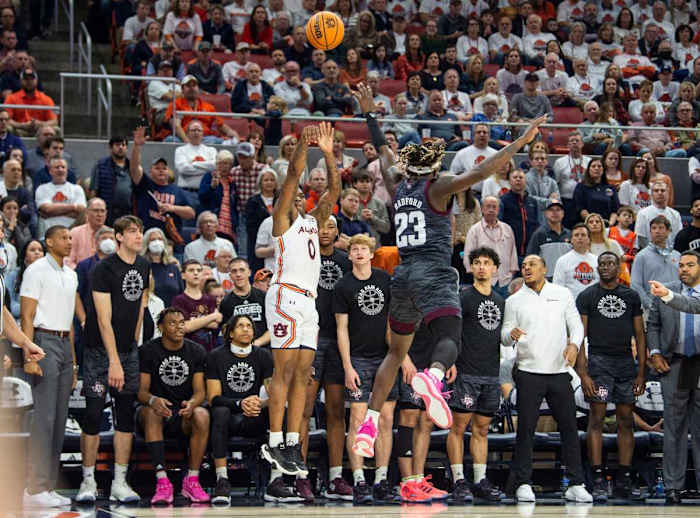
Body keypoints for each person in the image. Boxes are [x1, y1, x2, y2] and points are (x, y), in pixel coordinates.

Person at [350, 82, 545, 459]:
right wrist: (521, 141)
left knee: (396, 352)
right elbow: (485, 167)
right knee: (452, 335)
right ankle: (433, 377)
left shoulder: (397, 184)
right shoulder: (437, 187)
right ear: (433, 166)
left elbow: (385, 150)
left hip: (402, 276)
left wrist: (370, 113)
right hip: (432, 271)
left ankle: (371, 420)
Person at [261, 122, 340, 476]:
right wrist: (303, 146)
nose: (294, 196)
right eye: (289, 193)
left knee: (305, 376)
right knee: (285, 370)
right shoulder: (280, 221)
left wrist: (328, 152)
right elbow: (293, 173)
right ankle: (274, 439)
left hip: (308, 301)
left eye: (297, 195)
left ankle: (292, 442)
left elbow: (335, 191)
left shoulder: (314, 219)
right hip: (285, 295)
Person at [501, 254, 591, 503]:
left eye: (532, 265)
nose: (526, 268)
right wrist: (512, 334)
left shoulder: (562, 293)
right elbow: (504, 336)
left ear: (544, 268)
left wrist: (574, 345)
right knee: (526, 431)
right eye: (524, 266)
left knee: (570, 429)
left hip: (560, 372)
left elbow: (577, 326)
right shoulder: (514, 300)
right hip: (528, 372)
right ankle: (523, 483)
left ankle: (576, 483)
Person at [76, 216, 150, 504]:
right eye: (132, 231)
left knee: (125, 415)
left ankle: (120, 481)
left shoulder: (144, 265)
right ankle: (88, 480)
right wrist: (114, 361)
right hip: (98, 352)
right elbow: (103, 320)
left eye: (140, 230)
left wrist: (131, 348)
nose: (138, 236)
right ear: (118, 237)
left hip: (127, 351)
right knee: (93, 414)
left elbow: (140, 306)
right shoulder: (103, 269)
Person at [575, 251, 646, 501]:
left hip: (626, 363)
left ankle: (624, 479)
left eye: (610, 263)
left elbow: (640, 335)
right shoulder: (587, 296)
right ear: (597, 268)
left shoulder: (631, 296)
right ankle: (597, 478)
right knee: (597, 417)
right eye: (601, 263)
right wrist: (583, 374)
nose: (605, 267)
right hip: (599, 363)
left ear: (619, 267)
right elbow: (579, 338)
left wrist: (641, 372)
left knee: (626, 420)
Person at [335, 234, 395, 503]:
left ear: (372, 254)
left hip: (385, 359)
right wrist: (347, 366)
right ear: (349, 255)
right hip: (357, 359)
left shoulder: (385, 280)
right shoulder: (343, 285)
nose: (359, 253)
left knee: (385, 420)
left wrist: (398, 358)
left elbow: (394, 323)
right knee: (358, 421)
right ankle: (359, 480)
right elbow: (341, 329)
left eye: (364, 249)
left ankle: (381, 480)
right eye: (355, 249)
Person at [20, 225, 77, 508]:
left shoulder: (71, 274)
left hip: (65, 343)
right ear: (49, 241)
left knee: (59, 419)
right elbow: (27, 316)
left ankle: (48, 486)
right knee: (44, 418)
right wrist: (29, 355)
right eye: (63, 238)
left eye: (70, 237)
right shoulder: (36, 270)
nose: (68, 241)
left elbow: (69, 321)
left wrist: (74, 360)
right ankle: (33, 487)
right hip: (42, 340)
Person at [298, 216, 352, 501]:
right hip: (310, 340)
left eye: (331, 226)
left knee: (335, 412)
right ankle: (300, 476)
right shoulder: (303, 258)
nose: (326, 231)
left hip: (338, 341)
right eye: (321, 226)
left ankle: (335, 477)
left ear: (338, 232)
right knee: (304, 411)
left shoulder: (346, 261)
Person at [447, 246, 505, 503]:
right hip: (466, 372)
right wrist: (451, 361)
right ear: (471, 268)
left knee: (482, 429)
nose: (481, 267)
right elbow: (452, 332)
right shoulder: (464, 297)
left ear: (495, 268)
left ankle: (480, 479)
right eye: (477, 262)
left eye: (486, 263)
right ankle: (459, 480)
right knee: (458, 427)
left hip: (491, 374)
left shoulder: (502, 301)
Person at [137, 306, 210, 504]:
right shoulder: (148, 351)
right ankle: (162, 481)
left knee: (202, 414)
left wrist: (193, 404)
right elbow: (141, 392)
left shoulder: (196, 351)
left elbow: (200, 392)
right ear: (161, 327)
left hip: (182, 413)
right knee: (152, 413)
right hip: (154, 411)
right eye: (172, 323)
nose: (179, 327)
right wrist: (154, 400)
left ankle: (192, 480)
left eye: (181, 323)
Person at [647, 252, 700, 504]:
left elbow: (689, 305)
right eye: (680, 265)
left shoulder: (673, 295)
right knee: (674, 427)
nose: (684, 269)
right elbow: (653, 325)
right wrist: (655, 352)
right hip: (676, 362)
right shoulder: (664, 291)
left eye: (690, 265)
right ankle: (672, 487)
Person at [207, 314, 274, 504]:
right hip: (227, 417)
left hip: (254, 416)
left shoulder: (263, 355)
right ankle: (222, 479)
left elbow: (274, 395)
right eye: (241, 326)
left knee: (278, 411)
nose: (246, 329)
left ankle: (276, 480)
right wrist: (240, 403)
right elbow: (213, 398)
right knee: (220, 411)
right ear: (230, 333)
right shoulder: (216, 356)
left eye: (249, 326)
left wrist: (260, 404)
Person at [130, 127, 195, 240]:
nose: (161, 170)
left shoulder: (177, 191)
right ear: (150, 171)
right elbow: (134, 168)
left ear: (168, 172)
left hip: (170, 240)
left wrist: (172, 208)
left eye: (164, 168)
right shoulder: (145, 184)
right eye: (157, 168)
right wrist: (136, 146)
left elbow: (191, 213)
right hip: (145, 238)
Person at [463, 196, 519, 297]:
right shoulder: (474, 230)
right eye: (488, 207)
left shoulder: (507, 228)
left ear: (498, 210)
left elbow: (513, 254)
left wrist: (511, 274)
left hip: (505, 281)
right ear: (482, 209)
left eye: (494, 207)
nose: (491, 210)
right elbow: (468, 257)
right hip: (484, 282)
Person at [631, 215, 681, 311]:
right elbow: (635, 285)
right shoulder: (641, 256)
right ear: (650, 232)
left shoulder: (677, 255)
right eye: (654, 228)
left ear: (668, 231)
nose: (657, 231)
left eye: (661, 228)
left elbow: (682, 281)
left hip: (675, 306)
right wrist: (649, 305)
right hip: (653, 308)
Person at [219, 257, 269, 346]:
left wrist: (257, 343)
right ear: (230, 276)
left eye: (242, 270)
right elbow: (226, 331)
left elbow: (273, 327)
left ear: (249, 272)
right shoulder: (225, 302)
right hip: (238, 350)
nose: (238, 274)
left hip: (263, 349)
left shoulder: (264, 297)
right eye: (234, 271)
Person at [172, 260, 221, 350]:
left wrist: (194, 321)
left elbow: (215, 324)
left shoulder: (210, 299)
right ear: (183, 275)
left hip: (210, 350)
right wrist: (212, 316)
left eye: (199, 270)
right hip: (188, 351)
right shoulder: (179, 300)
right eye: (191, 270)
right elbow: (185, 327)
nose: (195, 273)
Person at [35, 157, 86, 239]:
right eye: (57, 167)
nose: (60, 170)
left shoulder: (77, 189)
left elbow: (82, 210)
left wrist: (53, 212)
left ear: (67, 171)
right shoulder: (42, 188)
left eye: (63, 167)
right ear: (50, 171)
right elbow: (47, 209)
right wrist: (73, 207)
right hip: (48, 234)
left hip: (72, 234)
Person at [174, 120, 217, 214]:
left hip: (206, 193)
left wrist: (194, 164)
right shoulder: (181, 150)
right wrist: (205, 168)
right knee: (187, 225)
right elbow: (183, 169)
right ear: (188, 133)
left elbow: (214, 166)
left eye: (199, 130)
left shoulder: (211, 150)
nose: (196, 132)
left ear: (203, 133)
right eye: (193, 130)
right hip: (186, 193)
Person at [88, 137, 131, 225]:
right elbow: (93, 190)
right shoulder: (101, 165)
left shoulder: (132, 166)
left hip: (128, 211)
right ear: (111, 148)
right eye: (117, 145)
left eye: (123, 145)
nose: (121, 147)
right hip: (108, 211)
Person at [499, 168, 539, 259]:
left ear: (525, 181)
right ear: (509, 181)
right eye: (515, 177)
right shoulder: (503, 201)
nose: (518, 179)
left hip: (530, 250)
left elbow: (537, 224)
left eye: (521, 177)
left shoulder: (532, 202)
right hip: (510, 250)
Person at [5, 67, 57, 137]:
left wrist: (40, 124)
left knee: (56, 129)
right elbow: (6, 120)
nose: (29, 81)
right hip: (19, 130)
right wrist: (21, 125)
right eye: (26, 79)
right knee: (7, 127)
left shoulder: (46, 99)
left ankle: (49, 148)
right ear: (20, 81)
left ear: (37, 81)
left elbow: (54, 121)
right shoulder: (11, 98)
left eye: (32, 79)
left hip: (40, 131)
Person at [527, 200, 572, 280]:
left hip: (567, 279)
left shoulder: (570, 234)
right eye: (551, 210)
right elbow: (531, 258)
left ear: (563, 213)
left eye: (558, 209)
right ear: (545, 214)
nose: (555, 213)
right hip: (545, 280)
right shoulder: (539, 234)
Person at [553, 132, 590, 229]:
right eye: (571, 141)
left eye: (577, 140)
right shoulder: (560, 162)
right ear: (568, 145)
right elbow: (555, 183)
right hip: (567, 202)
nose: (574, 143)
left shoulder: (589, 161)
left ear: (582, 144)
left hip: (585, 202)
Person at [553, 223, 599, 299]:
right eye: (576, 235)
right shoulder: (562, 261)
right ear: (571, 240)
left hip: (593, 304)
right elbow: (557, 287)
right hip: (572, 305)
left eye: (583, 235)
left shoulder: (597, 260)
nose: (580, 238)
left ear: (589, 240)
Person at [634, 181, 682, 250]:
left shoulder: (675, 214)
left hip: (670, 253)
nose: (660, 193)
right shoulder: (642, 213)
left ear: (668, 193)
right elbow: (641, 238)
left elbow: (678, 237)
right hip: (649, 253)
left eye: (663, 190)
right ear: (651, 194)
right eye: (656, 191)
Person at [573, 158, 619, 226]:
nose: (596, 168)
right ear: (588, 170)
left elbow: (615, 210)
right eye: (593, 166)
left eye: (599, 166)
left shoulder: (610, 188)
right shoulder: (581, 187)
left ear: (603, 170)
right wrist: (594, 223)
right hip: (588, 225)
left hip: (607, 226)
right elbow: (580, 208)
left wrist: (610, 224)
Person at [66, 198, 107, 269]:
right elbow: (68, 260)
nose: (99, 214)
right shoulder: (75, 232)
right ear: (87, 213)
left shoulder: (111, 234)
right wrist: (81, 272)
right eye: (96, 211)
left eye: (102, 211)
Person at [525, 147, 559, 223]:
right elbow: (529, 200)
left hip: (549, 222)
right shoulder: (525, 179)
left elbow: (557, 203)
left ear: (546, 161)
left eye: (543, 159)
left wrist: (539, 200)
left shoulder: (552, 182)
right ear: (531, 161)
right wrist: (549, 201)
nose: (540, 161)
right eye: (536, 159)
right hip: (531, 220)